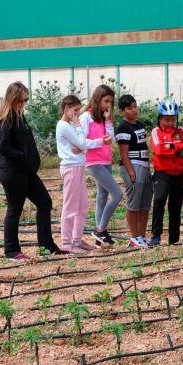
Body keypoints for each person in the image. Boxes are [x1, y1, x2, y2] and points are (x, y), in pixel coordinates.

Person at [0, 81, 66, 261]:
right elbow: (3, 146)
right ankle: (11, 250)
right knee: (15, 209)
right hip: (12, 172)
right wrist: (22, 155)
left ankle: (46, 246)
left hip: (25, 170)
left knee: (44, 202)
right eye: (21, 100)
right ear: (13, 99)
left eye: (26, 100)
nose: (24, 103)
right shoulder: (7, 118)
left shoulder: (19, 116)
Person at [80, 85, 122, 248]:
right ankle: (100, 229)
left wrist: (109, 120)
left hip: (105, 161)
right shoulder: (86, 117)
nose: (108, 105)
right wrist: (99, 142)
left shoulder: (103, 117)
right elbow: (81, 142)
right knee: (117, 194)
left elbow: (110, 139)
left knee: (102, 197)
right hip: (93, 162)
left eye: (110, 102)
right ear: (97, 99)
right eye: (106, 101)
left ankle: (99, 237)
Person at [56, 95, 98, 254]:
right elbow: (81, 142)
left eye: (78, 111)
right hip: (71, 167)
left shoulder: (70, 125)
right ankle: (67, 242)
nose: (77, 114)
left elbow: (83, 144)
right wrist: (79, 126)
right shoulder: (64, 126)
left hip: (78, 166)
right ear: (66, 108)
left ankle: (77, 240)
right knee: (70, 206)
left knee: (82, 205)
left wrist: (83, 146)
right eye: (75, 110)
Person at [150, 99, 183, 246]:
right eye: (167, 120)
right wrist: (177, 149)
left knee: (176, 206)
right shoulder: (155, 132)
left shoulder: (181, 132)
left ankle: (174, 238)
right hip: (162, 174)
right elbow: (158, 150)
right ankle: (156, 236)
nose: (170, 123)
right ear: (160, 119)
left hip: (178, 174)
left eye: (173, 119)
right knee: (159, 201)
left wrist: (171, 146)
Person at [116, 94, 152, 249]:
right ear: (122, 111)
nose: (134, 110)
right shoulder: (123, 128)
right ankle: (134, 237)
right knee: (134, 202)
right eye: (129, 108)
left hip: (144, 165)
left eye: (135, 106)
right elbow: (123, 153)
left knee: (144, 203)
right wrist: (131, 172)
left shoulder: (139, 124)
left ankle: (142, 236)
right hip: (133, 165)